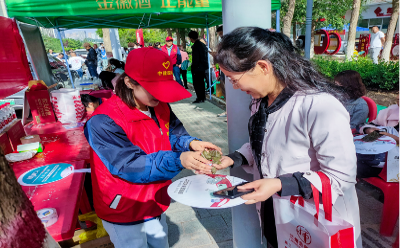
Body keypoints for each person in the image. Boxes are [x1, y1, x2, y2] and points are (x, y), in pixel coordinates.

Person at [212, 27, 361, 248]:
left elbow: (342, 177)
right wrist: (234, 158)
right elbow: (266, 147)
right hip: (276, 213)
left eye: (234, 79)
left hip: (315, 221)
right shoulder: (261, 102)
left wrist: (280, 184)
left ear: (263, 67)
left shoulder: (318, 105)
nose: (234, 87)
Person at [84, 47, 220, 248]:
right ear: (129, 82)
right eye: (154, 89)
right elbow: (128, 165)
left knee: (160, 242)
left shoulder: (159, 105)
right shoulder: (103, 121)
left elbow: (173, 133)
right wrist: (179, 159)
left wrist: (191, 143)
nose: (160, 96)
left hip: (154, 198)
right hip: (124, 205)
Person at [189, 30, 208, 103]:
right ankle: (203, 97)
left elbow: (196, 58)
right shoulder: (202, 44)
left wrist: (193, 67)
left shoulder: (196, 46)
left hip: (197, 68)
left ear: (191, 38)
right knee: (202, 83)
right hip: (203, 67)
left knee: (197, 83)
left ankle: (199, 98)